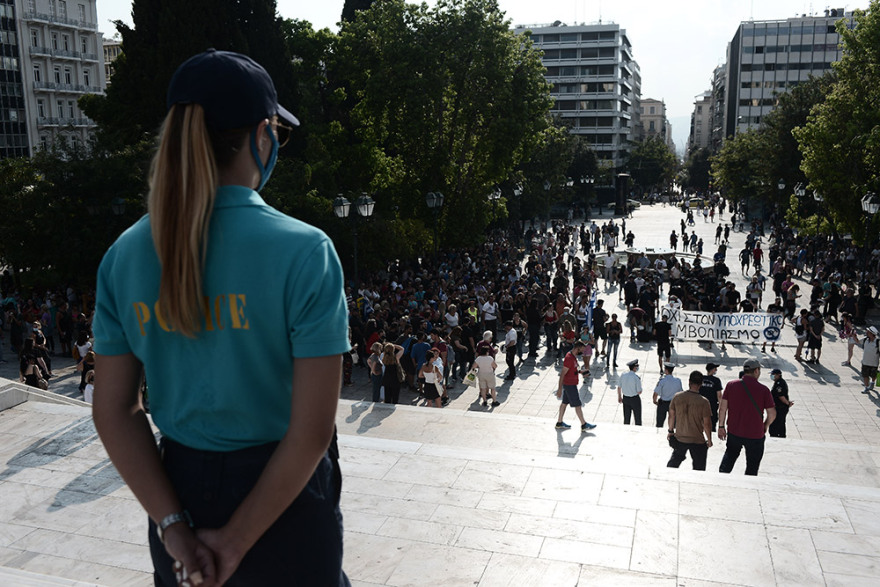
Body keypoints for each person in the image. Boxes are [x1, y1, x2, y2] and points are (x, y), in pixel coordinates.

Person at [91, 51, 350, 586]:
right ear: (262, 134)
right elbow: (311, 431)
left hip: (176, 488)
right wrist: (235, 542)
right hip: (286, 497)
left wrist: (173, 527)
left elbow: (115, 410)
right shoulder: (305, 252)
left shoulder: (124, 254)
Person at [718, 359, 776, 476]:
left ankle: (721, 480)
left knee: (729, 459)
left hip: (734, 432)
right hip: (755, 434)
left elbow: (723, 408)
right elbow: (772, 413)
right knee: (752, 467)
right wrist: (765, 425)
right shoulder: (764, 390)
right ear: (756, 371)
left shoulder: (731, 385)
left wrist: (721, 426)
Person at [666, 370, 713, 471]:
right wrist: (709, 439)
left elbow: (671, 416)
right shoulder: (704, 402)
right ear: (701, 384)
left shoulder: (677, 397)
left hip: (680, 438)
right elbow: (707, 423)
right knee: (699, 468)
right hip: (697, 439)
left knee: (673, 463)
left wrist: (670, 431)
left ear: (689, 382)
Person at [555, 341, 597, 432]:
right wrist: (559, 389)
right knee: (577, 404)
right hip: (570, 385)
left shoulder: (573, 357)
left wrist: (581, 372)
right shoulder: (569, 358)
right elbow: (562, 374)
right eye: (582, 349)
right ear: (578, 348)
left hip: (570, 384)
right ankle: (584, 424)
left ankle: (559, 422)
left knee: (564, 403)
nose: (583, 351)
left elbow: (573, 369)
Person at [653, 362, 682, 428]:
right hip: (673, 404)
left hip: (662, 404)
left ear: (666, 370)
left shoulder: (662, 381)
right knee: (673, 424)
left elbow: (655, 393)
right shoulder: (678, 381)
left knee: (659, 424)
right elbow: (680, 393)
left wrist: (654, 401)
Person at [768, 369, 793, 438]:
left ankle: (777, 436)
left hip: (779, 408)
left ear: (778, 375)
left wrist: (788, 403)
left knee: (776, 423)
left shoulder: (780, 384)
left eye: (773, 375)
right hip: (778, 407)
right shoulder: (778, 382)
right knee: (780, 423)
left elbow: (781, 396)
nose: (772, 376)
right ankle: (780, 435)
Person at [617, 359, 643, 425]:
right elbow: (639, 391)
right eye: (636, 366)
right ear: (634, 368)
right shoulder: (636, 378)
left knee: (626, 419)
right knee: (637, 419)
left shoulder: (623, 375)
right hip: (635, 399)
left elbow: (619, 387)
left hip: (625, 399)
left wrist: (619, 397)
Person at [699, 363, 723, 431]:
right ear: (712, 370)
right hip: (712, 406)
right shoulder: (716, 380)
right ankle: (709, 439)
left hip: (700, 404)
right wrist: (721, 407)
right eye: (715, 369)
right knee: (710, 425)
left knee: (700, 423)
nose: (716, 370)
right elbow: (719, 395)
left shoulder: (701, 378)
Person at [861, 326, 880, 394]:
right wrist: (853, 336)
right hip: (865, 362)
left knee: (873, 375)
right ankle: (866, 387)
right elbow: (857, 341)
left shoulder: (878, 342)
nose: (866, 332)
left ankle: (872, 382)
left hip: (874, 363)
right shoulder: (865, 339)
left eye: (868, 332)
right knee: (865, 375)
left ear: (872, 333)